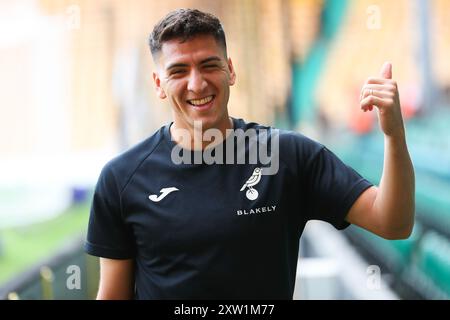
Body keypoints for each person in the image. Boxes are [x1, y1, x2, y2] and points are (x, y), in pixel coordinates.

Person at [85, 8, 415, 300]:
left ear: (230, 70)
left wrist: (394, 135)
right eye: (179, 71)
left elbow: (393, 222)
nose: (197, 84)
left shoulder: (288, 155)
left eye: (208, 65)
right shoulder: (121, 179)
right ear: (159, 83)